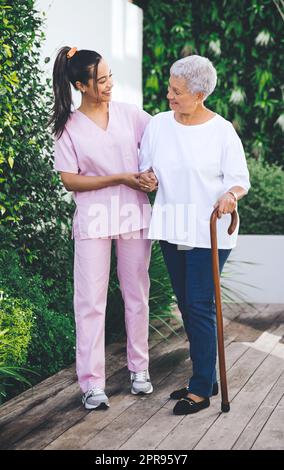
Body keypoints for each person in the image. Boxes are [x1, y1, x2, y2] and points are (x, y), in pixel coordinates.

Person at [138, 55, 250, 415]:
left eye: (177, 92)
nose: (169, 96)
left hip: (209, 229)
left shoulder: (221, 131)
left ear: (200, 94)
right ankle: (207, 375)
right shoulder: (158, 125)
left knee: (199, 304)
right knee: (187, 304)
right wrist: (148, 179)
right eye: (170, 88)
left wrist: (230, 196)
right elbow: (147, 168)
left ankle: (201, 388)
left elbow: (239, 180)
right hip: (173, 227)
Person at [50, 46, 155, 410]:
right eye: (101, 80)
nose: (110, 84)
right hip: (93, 221)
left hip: (133, 217)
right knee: (90, 303)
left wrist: (151, 176)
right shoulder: (69, 128)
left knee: (136, 296)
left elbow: (156, 153)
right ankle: (92, 383)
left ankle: (139, 370)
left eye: (110, 76)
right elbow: (69, 180)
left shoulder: (133, 116)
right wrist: (121, 178)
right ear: (80, 85)